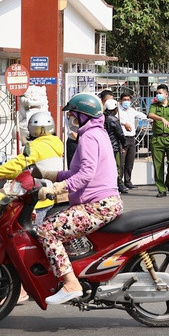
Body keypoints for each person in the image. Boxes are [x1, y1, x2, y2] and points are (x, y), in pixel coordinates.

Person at [34, 92, 122, 305]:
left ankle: (71, 283)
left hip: (97, 206)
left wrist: (55, 189)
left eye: (73, 114)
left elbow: (85, 175)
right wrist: (49, 175)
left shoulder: (90, 137)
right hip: (101, 203)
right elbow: (77, 172)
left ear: (83, 115)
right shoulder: (96, 134)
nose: (71, 118)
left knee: (46, 230)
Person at [0, 111, 64, 184]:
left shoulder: (36, 147)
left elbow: (15, 165)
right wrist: (5, 176)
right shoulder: (56, 143)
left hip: (39, 194)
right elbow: (28, 170)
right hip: (52, 188)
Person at [147, 84, 169, 197]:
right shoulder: (154, 106)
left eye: (160, 93)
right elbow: (150, 115)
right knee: (158, 165)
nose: (158, 95)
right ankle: (161, 189)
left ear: (166, 94)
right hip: (157, 139)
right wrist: (161, 118)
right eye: (157, 93)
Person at [100, 94, 127, 193]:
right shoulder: (114, 120)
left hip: (104, 146)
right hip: (114, 147)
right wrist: (124, 145)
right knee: (117, 167)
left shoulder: (101, 118)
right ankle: (119, 184)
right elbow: (120, 134)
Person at [118, 93, 142, 190]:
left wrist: (151, 119)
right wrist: (124, 123)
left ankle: (128, 181)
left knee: (130, 161)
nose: (126, 101)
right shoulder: (118, 110)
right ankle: (120, 182)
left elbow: (141, 115)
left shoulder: (132, 111)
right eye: (124, 99)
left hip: (131, 138)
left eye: (128, 99)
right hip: (123, 138)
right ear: (121, 100)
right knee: (121, 162)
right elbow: (116, 120)